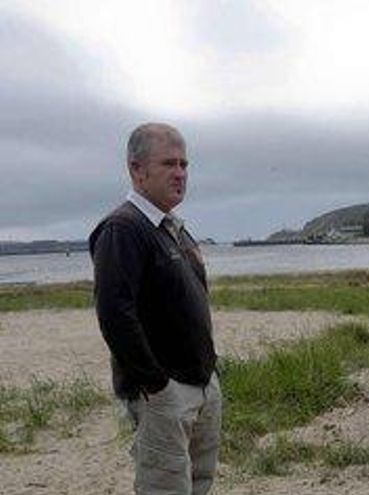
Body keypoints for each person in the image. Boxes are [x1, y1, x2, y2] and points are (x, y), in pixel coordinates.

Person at [90, 123, 221, 494]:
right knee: (165, 488)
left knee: (199, 482)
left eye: (184, 164)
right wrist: (156, 384)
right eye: (169, 164)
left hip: (200, 383)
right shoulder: (122, 229)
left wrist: (210, 371)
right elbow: (115, 315)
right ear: (136, 169)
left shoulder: (172, 228)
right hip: (162, 393)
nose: (180, 173)